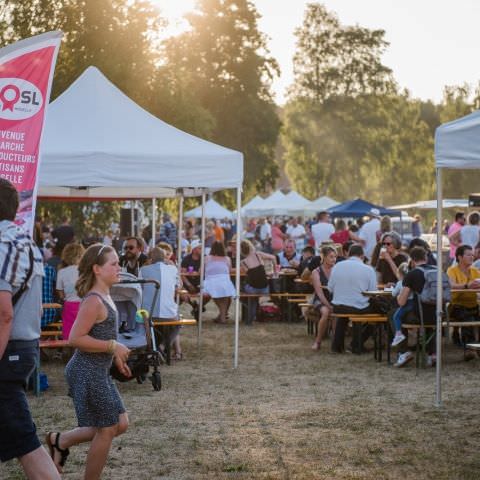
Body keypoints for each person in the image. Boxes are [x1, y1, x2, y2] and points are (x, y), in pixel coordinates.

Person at [47, 244, 130, 478]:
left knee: (120, 423)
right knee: (107, 428)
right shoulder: (93, 300)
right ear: (97, 269)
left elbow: (102, 335)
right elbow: (74, 338)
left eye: (118, 262)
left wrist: (116, 356)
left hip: (98, 370)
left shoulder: (106, 295)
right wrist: (113, 346)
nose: (118, 267)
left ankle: (60, 440)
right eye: (113, 264)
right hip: (85, 371)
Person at [0, 179, 60, 479]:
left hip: (5, 349)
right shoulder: (29, 245)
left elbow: (3, 313)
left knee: (25, 441)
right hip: (23, 347)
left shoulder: (1, 245)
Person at [328, 244, 377, 353]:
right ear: (362, 256)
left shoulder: (337, 266)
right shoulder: (368, 269)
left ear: (348, 254)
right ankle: (356, 344)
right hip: (358, 306)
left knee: (344, 314)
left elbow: (330, 288)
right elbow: (373, 292)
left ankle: (337, 346)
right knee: (377, 315)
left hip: (338, 306)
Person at [394, 246, 437, 367]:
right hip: (439, 314)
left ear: (412, 260)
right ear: (426, 258)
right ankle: (432, 354)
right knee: (430, 323)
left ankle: (403, 352)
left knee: (395, 314)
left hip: (419, 316)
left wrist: (398, 297)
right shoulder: (437, 271)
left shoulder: (412, 274)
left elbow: (401, 302)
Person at [140, 247, 183, 359]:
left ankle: (154, 347)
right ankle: (162, 346)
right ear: (164, 258)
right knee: (178, 322)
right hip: (169, 315)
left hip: (148, 315)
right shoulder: (172, 269)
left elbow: (140, 289)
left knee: (145, 321)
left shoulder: (143, 270)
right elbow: (179, 286)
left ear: (150, 258)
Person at [446, 245, 480, 360]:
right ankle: (469, 350)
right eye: (468, 255)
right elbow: (451, 285)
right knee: (468, 317)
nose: (472, 257)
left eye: (472, 254)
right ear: (460, 257)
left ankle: (476, 348)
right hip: (456, 305)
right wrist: (467, 286)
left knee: (472, 313)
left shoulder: (475, 271)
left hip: (474, 304)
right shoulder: (452, 270)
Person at [240, 240, 277, 325]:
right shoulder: (258, 254)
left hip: (253, 289)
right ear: (251, 246)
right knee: (253, 298)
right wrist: (275, 272)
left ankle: (249, 320)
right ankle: (255, 317)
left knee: (249, 295)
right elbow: (273, 257)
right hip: (265, 288)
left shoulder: (243, 262)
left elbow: (248, 275)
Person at [56, 243, 85, 340]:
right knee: (84, 333)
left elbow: (60, 294)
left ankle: (69, 354)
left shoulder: (61, 272)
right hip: (84, 305)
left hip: (69, 306)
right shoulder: (85, 271)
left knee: (69, 336)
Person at [311, 246, 337, 351]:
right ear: (324, 257)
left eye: (335, 257)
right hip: (320, 299)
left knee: (337, 313)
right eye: (331, 257)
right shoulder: (316, 271)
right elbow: (319, 293)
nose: (334, 259)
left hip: (334, 299)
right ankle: (318, 341)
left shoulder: (336, 269)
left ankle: (336, 342)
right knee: (326, 312)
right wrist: (329, 305)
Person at [203, 241, 236, 324]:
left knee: (215, 293)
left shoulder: (207, 258)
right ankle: (222, 316)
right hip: (224, 281)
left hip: (211, 282)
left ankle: (222, 316)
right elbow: (229, 270)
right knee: (224, 297)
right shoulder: (227, 259)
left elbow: (201, 271)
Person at [181, 239, 210, 318]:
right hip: (189, 284)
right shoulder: (187, 259)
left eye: (202, 248)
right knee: (182, 295)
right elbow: (182, 274)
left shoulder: (204, 258)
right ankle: (194, 306)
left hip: (201, 284)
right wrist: (189, 284)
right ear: (194, 249)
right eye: (199, 248)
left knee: (209, 294)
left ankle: (197, 308)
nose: (202, 250)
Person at [390, 262, 413, 347]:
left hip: (406, 304)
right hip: (413, 303)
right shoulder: (412, 282)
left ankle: (398, 333)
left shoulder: (400, 283)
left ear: (399, 273)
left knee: (396, 316)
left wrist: (393, 288)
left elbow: (393, 294)